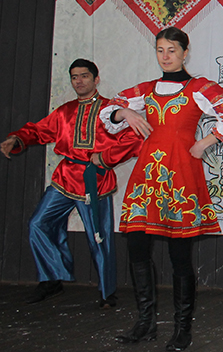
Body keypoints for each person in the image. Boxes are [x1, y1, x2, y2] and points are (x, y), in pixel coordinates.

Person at [102, 27, 223, 351]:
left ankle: (182, 328)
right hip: (147, 177)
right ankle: (145, 323)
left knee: (179, 254)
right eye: (160, 50)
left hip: (180, 173)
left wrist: (205, 142)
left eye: (172, 50)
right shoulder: (146, 89)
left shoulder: (200, 88)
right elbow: (109, 111)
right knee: (137, 246)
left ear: (185, 53)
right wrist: (126, 112)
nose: (165, 56)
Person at [1, 59, 141, 307]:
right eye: (74, 77)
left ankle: (107, 292)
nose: (79, 81)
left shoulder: (110, 111)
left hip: (94, 179)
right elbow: (39, 131)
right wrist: (17, 138)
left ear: (96, 79)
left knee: (99, 237)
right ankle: (52, 279)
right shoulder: (64, 111)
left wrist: (105, 158)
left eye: (84, 76)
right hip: (65, 177)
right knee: (39, 224)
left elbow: (134, 139)